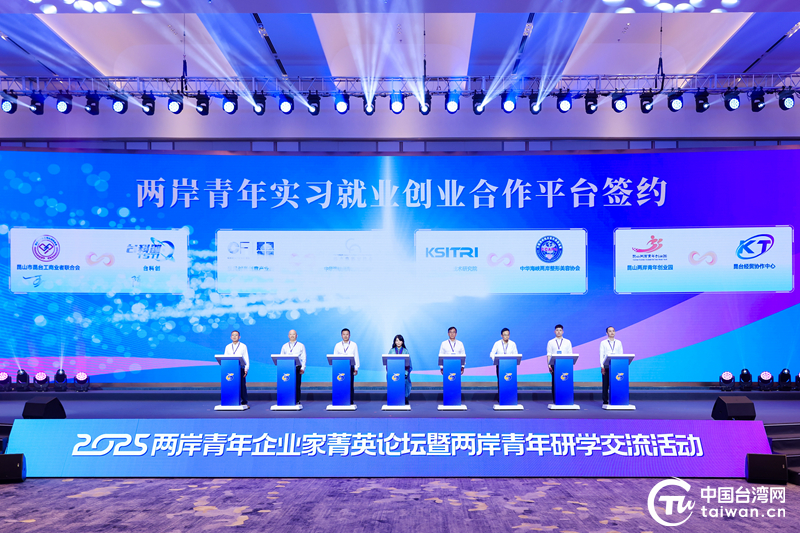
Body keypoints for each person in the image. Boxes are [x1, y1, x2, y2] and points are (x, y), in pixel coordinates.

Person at [547, 324, 573, 401]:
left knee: (565, 382)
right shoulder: (551, 342)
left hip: (565, 365)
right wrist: (549, 365)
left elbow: (570, 354)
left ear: (563, 332)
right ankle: (555, 400)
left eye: (560, 330)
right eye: (557, 330)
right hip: (554, 365)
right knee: (555, 383)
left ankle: (566, 399)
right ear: (554, 331)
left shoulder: (567, 342)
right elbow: (549, 354)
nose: (559, 332)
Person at [333, 328, 359, 405]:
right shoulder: (337, 345)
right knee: (340, 384)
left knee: (350, 385)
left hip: (350, 367)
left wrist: (356, 368)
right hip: (340, 368)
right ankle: (340, 400)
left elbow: (356, 356)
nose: (345, 336)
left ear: (349, 335)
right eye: (344, 334)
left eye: (347, 334)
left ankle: (350, 401)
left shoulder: (354, 345)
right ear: (341, 335)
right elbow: (334, 357)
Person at [280, 329, 306, 405]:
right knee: (287, 385)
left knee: (297, 385)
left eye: (293, 334)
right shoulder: (284, 346)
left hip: (297, 368)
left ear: (296, 336)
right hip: (287, 368)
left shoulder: (301, 345)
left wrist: (303, 368)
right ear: (288, 336)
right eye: (290, 334)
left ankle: (297, 401)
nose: (292, 336)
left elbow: (304, 358)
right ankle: (286, 400)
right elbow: (281, 357)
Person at [223, 330, 249, 406]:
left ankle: (244, 401)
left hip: (240, 368)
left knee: (242, 385)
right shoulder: (228, 347)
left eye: (236, 335)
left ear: (239, 337)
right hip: (230, 369)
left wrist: (246, 369)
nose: (234, 336)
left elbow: (246, 358)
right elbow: (225, 358)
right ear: (230, 337)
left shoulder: (243, 346)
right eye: (233, 335)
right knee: (230, 384)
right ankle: (231, 400)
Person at [600, 326, 624, 405]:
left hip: (616, 366)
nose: (612, 332)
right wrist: (602, 366)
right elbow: (601, 355)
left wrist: (620, 366)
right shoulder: (603, 342)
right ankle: (605, 401)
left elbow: (621, 354)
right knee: (605, 384)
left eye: (613, 331)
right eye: (610, 331)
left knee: (615, 383)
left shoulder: (619, 342)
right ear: (607, 333)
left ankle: (616, 399)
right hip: (606, 366)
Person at [491, 328, 518, 395]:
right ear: (501, 335)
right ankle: (501, 397)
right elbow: (492, 354)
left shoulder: (512, 344)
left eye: (508, 335)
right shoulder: (497, 343)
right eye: (505, 335)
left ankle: (510, 396)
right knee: (501, 382)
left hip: (510, 366)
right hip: (500, 366)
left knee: (510, 381)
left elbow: (516, 354)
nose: (506, 336)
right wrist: (496, 360)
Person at [390, 334, 412, 405]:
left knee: (405, 382)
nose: (398, 342)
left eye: (400, 340)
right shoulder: (391, 351)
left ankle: (405, 398)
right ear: (394, 342)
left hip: (403, 373)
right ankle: (394, 399)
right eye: (397, 340)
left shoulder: (405, 351)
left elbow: (408, 364)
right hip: (393, 373)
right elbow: (388, 363)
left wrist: (406, 373)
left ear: (402, 342)